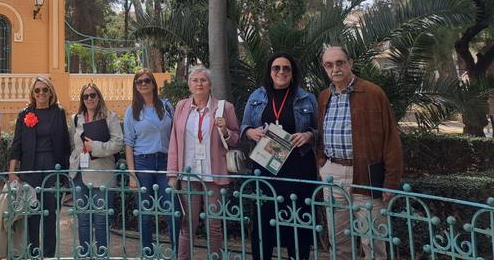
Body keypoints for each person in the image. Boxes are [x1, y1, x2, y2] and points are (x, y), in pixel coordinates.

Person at [316, 46, 403, 259]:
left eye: (340, 62)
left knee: (372, 241)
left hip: (366, 175)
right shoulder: (324, 96)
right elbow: (319, 132)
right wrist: (321, 163)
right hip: (333, 174)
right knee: (338, 241)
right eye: (329, 65)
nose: (335, 68)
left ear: (350, 63)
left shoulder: (373, 93)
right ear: (324, 68)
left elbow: (391, 139)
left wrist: (391, 182)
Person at [240, 53, 318, 260]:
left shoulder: (307, 98)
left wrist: (309, 135)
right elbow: (244, 126)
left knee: (298, 220)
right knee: (264, 219)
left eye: (286, 68)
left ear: (293, 73)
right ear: (270, 71)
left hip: (299, 167)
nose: (281, 72)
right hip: (266, 167)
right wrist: (251, 132)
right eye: (276, 68)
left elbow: (319, 130)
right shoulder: (257, 96)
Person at [167, 66, 240, 260]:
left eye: (203, 80)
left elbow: (235, 139)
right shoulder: (181, 106)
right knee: (187, 223)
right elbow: (174, 140)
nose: (199, 83)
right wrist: (172, 174)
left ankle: (214, 257)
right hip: (188, 174)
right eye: (195, 80)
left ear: (210, 84)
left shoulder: (225, 108)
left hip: (213, 174)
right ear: (189, 84)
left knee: (213, 224)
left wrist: (225, 130)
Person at [8, 75, 71, 258]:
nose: (41, 93)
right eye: (37, 90)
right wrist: (12, 171)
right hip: (31, 168)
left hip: (53, 167)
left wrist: (65, 175)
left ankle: (49, 255)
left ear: (50, 91)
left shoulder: (58, 112)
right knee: (32, 213)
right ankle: (34, 253)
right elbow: (16, 144)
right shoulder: (25, 113)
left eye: (45, 89)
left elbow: (65, 144)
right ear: (32, 93)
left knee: (50, 214)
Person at [123, 69, 178, 256]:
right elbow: (129, 144)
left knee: (172, 209)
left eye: (147, 80)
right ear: (135, 87)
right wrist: (132, 175)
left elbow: (174, 137)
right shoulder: (132, 111)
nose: (143, 84)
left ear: (154, 83)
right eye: (139, 82)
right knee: (145, 212)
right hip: (143, 163)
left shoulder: (166, 106)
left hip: (164, 162)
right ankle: (147, 253)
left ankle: (176, 252)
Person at [68, 83, 124, 257]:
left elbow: (118, 143)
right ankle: (85, 254)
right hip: (79, 174)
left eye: (93, 95)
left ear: (99, 97)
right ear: (82, 100)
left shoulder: (110, 117)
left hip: (102, 174)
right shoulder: (76, 118)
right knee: (83, 220)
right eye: (86, 96)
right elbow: (73, 144)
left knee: (101, 220)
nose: (89, 99)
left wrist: (96, 147)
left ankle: (101, 255)